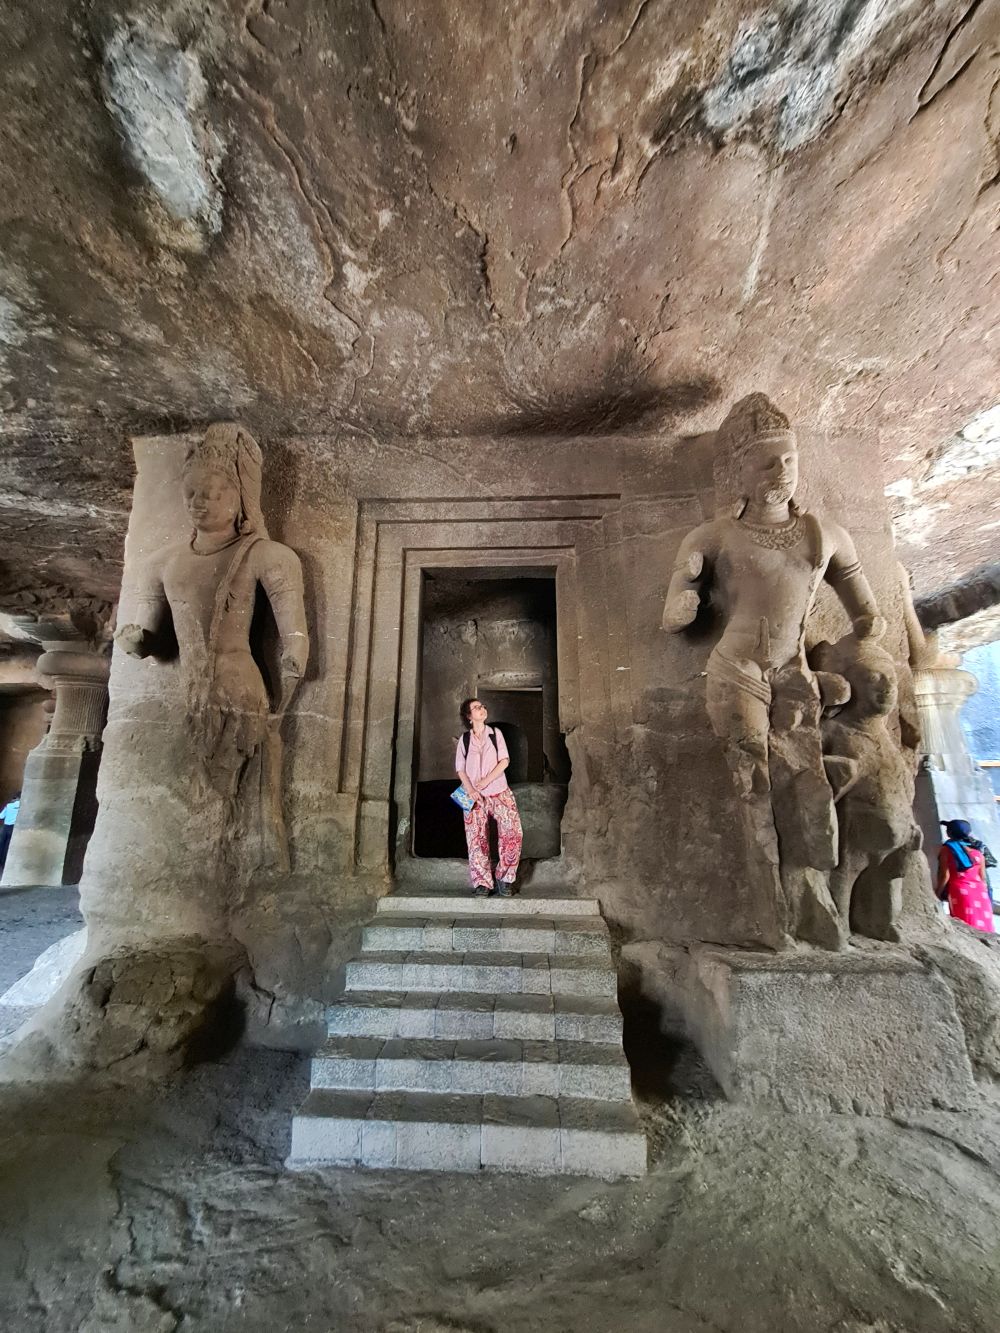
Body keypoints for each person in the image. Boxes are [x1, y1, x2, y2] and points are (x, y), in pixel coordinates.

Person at [455, 698, 523, 897]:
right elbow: (460, 769)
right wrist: (472, 790)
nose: (481, 709)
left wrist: (485, 781)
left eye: (482, 706)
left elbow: (504, 761)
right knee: (476, 839)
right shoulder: (464, 739)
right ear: (469, 717)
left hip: (499, 790)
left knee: (513, 833)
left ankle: (505, 878)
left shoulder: (496, 734)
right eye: (476, 708)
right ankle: (482, 883)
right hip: (472, 794)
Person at [936, 819, 994, 933]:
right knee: (983, 925)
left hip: (961, 890)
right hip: (980, 892)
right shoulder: (977, 851)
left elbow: (945, 875)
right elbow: (983, 878)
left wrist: (937, 893)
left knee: (965, 925)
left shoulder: (947, 849)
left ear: (949, 833)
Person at [0, 792, 19, 873]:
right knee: (8, 847)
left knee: (2, 845)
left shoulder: (9, 805)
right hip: (14, 828)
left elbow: (1, 816)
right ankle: (5, 864)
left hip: (6, 827)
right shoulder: (23, 807)